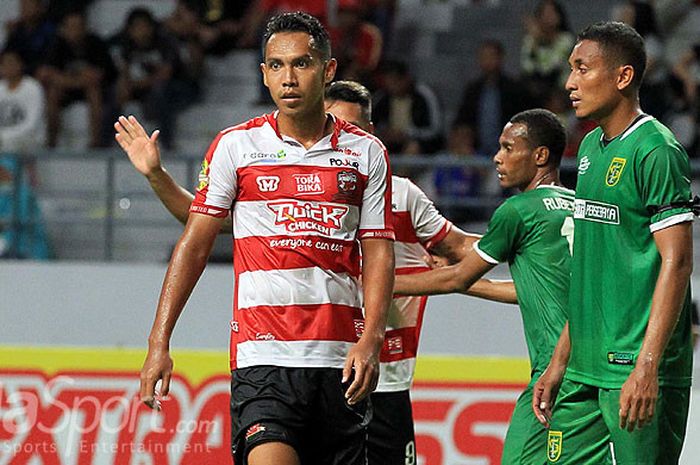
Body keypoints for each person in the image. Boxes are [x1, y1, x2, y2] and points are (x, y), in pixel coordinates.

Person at [117, 77, 492, 465]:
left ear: (367, 133)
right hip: (276, 358)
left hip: (375, 372)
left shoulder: (398, 193)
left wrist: (520, 241)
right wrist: (157, 176)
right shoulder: (275, 176)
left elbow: (459, 254)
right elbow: (201, 223)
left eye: (354, 128)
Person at [115, 13, 395, 465]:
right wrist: (158, 342)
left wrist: (372, 339)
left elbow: (380, 250)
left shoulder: (367, 153)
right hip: (263, 357)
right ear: (264, 73)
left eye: (302, 64)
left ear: (327, 70)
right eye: (277, 65)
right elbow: (195, 242)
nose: (289, 78)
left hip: (340, 359)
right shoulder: (235, 147)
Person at [533, 21, 694, 464]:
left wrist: (647, 366)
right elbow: (589, 263)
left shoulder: (656, 149)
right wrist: (561, 359)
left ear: (623, 77)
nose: (569, 83)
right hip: (583, 368)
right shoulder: (587, 149)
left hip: (633, 371)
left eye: (583, 69)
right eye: (570, 69)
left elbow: (677, 264)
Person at [394, 108, 573, 465]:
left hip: (555, 370)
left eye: (508, 148)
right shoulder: (576, 206)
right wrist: (469, 286)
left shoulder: (519, 210)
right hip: (590, 365)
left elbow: (458, 274)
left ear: (539, 156)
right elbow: (536, 291)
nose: (497, 157)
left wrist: (381, 285)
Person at [38, 10, 117, 148]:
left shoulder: (95, 43)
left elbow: (98, 76)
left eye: (79, 26)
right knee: (52, 93)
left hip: (95, 90)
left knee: (94, 91)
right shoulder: (57, 44)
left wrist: (66, 79)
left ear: (85, 27)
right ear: (63, 29)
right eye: (71, 27)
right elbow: (47, 73)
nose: (75, 31)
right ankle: (51, 142)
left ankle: (96, 142)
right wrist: (77, 80)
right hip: (68, 90)